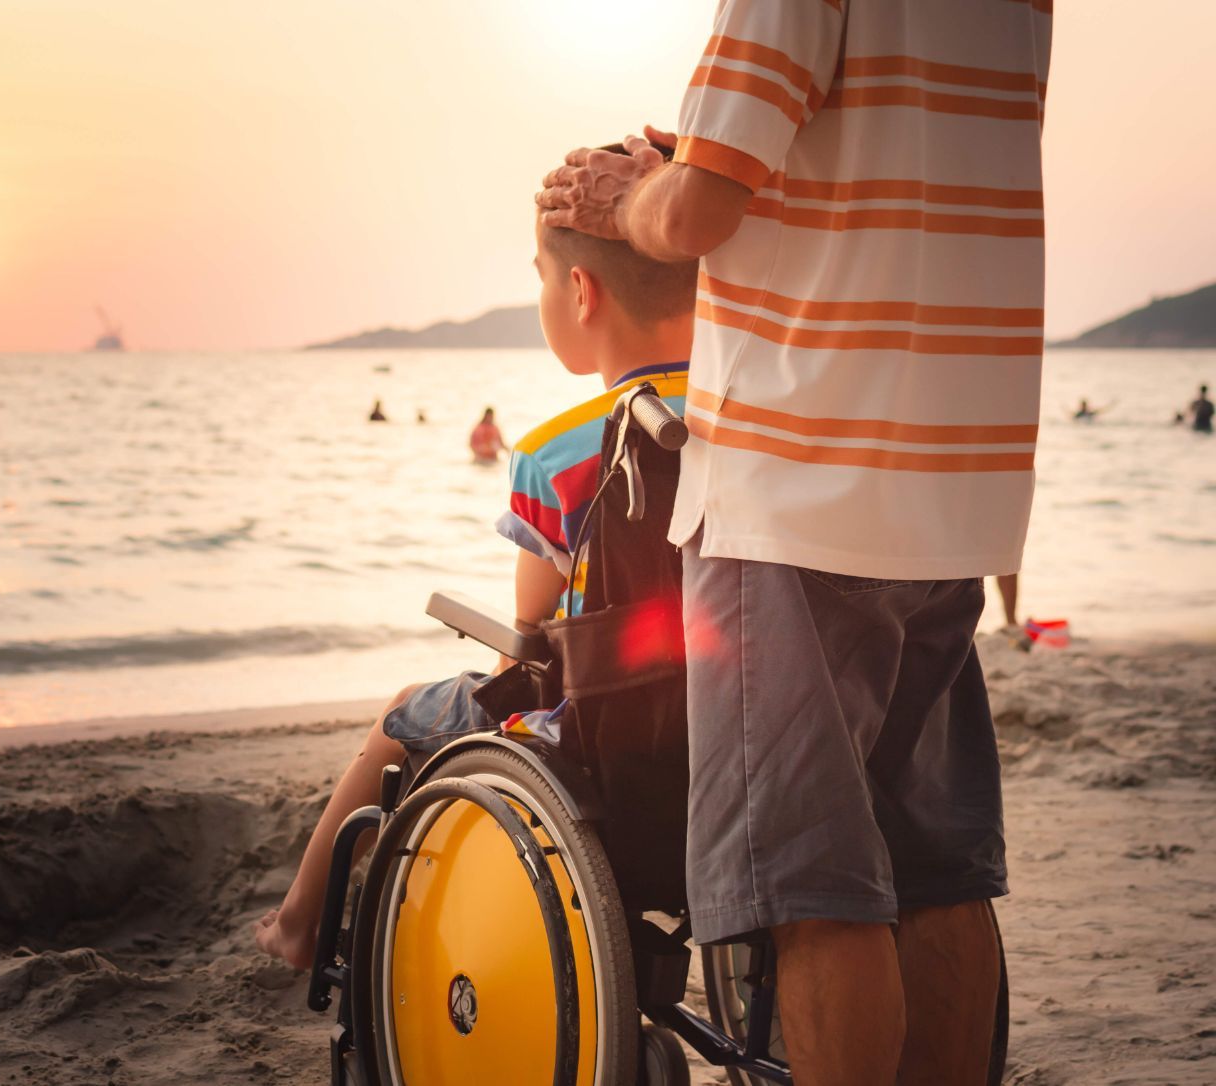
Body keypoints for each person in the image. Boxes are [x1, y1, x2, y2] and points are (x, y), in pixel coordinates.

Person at [537, 2, 1049, 1081]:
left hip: (799, 481)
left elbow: (693, 218)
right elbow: (887, 165)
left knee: (809, 887)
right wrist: (703, 171)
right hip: (951, 461)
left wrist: (627, 196)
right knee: (937, 872)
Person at [254, 205, 698, 969]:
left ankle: (297, 928)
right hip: (743, 725)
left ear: (581, 293)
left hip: (611, 748)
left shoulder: (555, 453)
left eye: (542, 281)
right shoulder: (758, 423)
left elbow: (531, 638)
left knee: (404, 712)